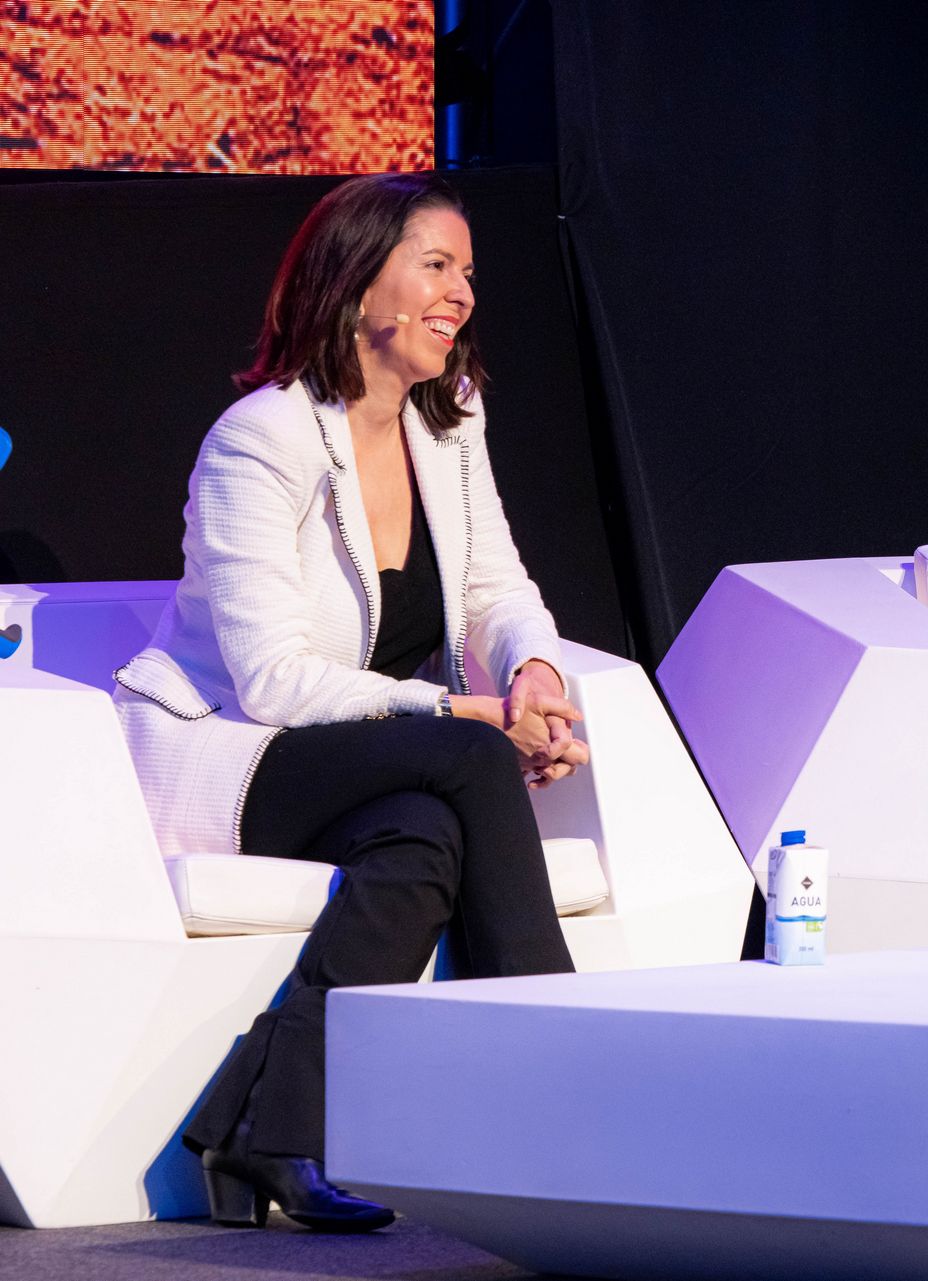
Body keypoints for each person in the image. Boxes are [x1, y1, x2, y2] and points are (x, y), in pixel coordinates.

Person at [113, 173, 589, 1232]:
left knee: (423, 838)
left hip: (363, 761)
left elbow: (496, 589)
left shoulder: (449, 423)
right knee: (463, 758)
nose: (462, 293)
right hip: (234, 753)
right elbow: (273, 679)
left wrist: (534, 677)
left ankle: (267, 1129)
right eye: (436, 265)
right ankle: (559, 1078)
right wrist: (472, 718)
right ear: (358, 278)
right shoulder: (261, 439)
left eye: (468, 273)